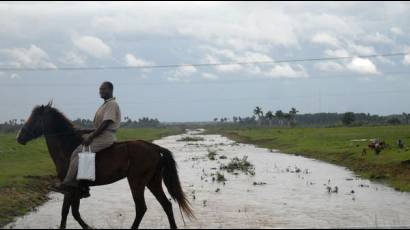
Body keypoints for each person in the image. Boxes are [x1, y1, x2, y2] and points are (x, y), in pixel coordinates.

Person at [51, 81, 121, 196]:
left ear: (110, 90)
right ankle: (83, 185)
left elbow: (106, 124)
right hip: (103, 134)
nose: (100, 91)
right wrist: (85, 131)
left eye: (103, 89)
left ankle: (68, 183)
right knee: (82, 151)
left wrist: (91, 137)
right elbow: (99, 126)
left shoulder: (112, 104)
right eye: (100, 89)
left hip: (106, 137)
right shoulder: (105, 104)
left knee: (77, 153)